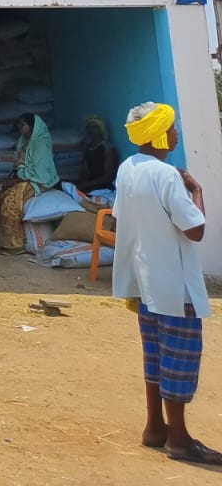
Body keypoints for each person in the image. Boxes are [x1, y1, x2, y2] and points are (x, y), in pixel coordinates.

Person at [112, 101, 218, 465]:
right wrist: (197, 191)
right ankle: (179, 438)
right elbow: (196, 229)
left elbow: (122, 218)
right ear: (158, 134)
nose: (176, 135)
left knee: (155, 358)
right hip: (176, 287)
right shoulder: (168, 175)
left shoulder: (127, 169)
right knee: (179, 361)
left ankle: (154, 427)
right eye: (172, 129)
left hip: (146, 285)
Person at [0, 112, 60, 253]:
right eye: (19, 125)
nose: (20, 127)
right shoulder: (23, 141)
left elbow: (39, 173)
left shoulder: (40, 143)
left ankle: (14, 244)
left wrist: (15, 181)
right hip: (24, 178)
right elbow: (19, 164)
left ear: (32, 126)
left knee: (11, 199)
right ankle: (4, 239)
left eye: (23, 125)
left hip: (39, 182)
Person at [78, 115, 121, 193]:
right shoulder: (88, 147)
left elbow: (108, 177)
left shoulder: (108, 149)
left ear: (101, 129)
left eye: (94, 127)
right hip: (88, 186)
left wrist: (86, 185)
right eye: (88, 127)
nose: (90, 130)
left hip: (103, 188)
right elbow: (84, 170)